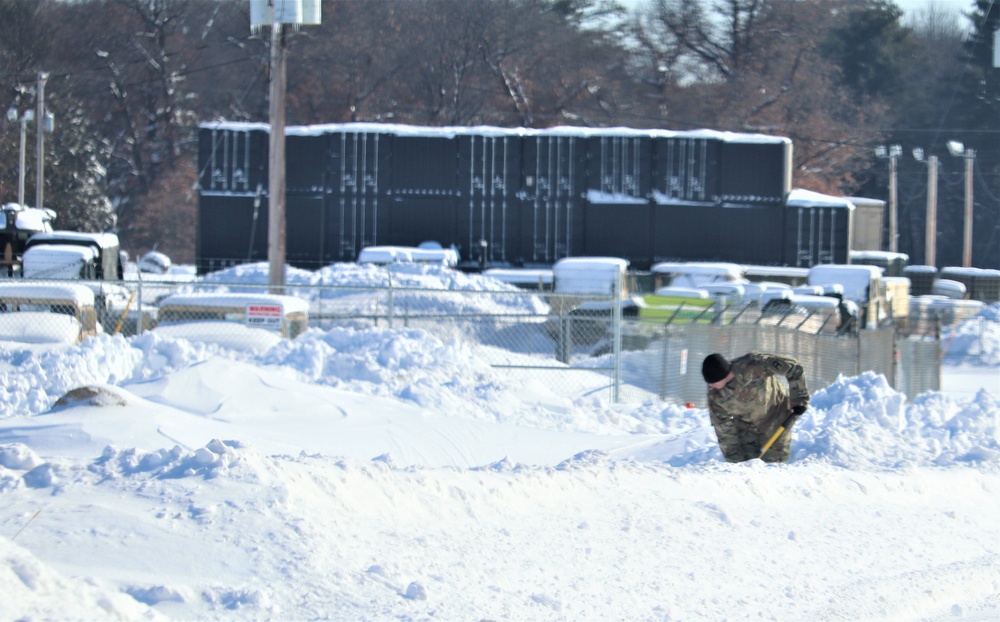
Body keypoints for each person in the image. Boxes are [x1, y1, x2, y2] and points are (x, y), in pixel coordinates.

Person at [701, 352, 809, 463]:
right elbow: (724, 430)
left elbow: (793, 367)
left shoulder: (754, 365)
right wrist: (734, 462)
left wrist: (799, 399)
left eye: (712, 382)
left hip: (776, 419)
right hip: (747, 426)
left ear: (721, 376)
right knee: (747, 466)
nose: (710, 385)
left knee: (772, 466)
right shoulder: (715, 395)